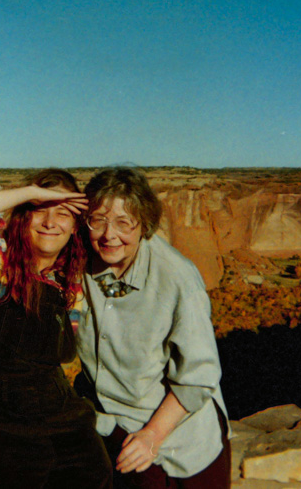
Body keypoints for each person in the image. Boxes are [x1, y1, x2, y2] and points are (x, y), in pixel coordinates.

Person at [0, 168, 113, 489]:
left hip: (58, 415)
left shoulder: (71, 281)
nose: (51, 222)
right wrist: (31, 193)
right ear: (23, 216)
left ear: (75, 225)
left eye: (63, 213)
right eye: (40, 211)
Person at [75, 167, 232, 488]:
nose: (109, 234)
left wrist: (152, 435)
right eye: (98, 220)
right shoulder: (80, 262)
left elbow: (199, 378)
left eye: (123, 222)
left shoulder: (177, 279)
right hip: (116, 431)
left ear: (144, 224)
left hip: (183, 446)